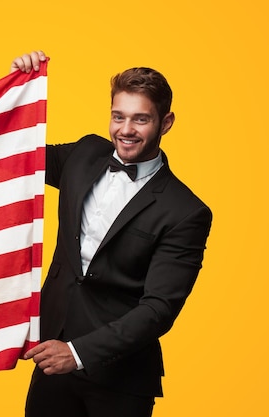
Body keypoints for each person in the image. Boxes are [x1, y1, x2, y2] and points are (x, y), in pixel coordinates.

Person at [11, 51, 212, 417]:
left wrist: (77, 353)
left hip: (121, 379)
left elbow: (159, 309)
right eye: (118, 116)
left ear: (165, 123)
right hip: (51, 360)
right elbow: (16, 153)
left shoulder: (186, 212)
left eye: (141, 119)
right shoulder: (85, 153)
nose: (126, 130)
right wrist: (18, 86)